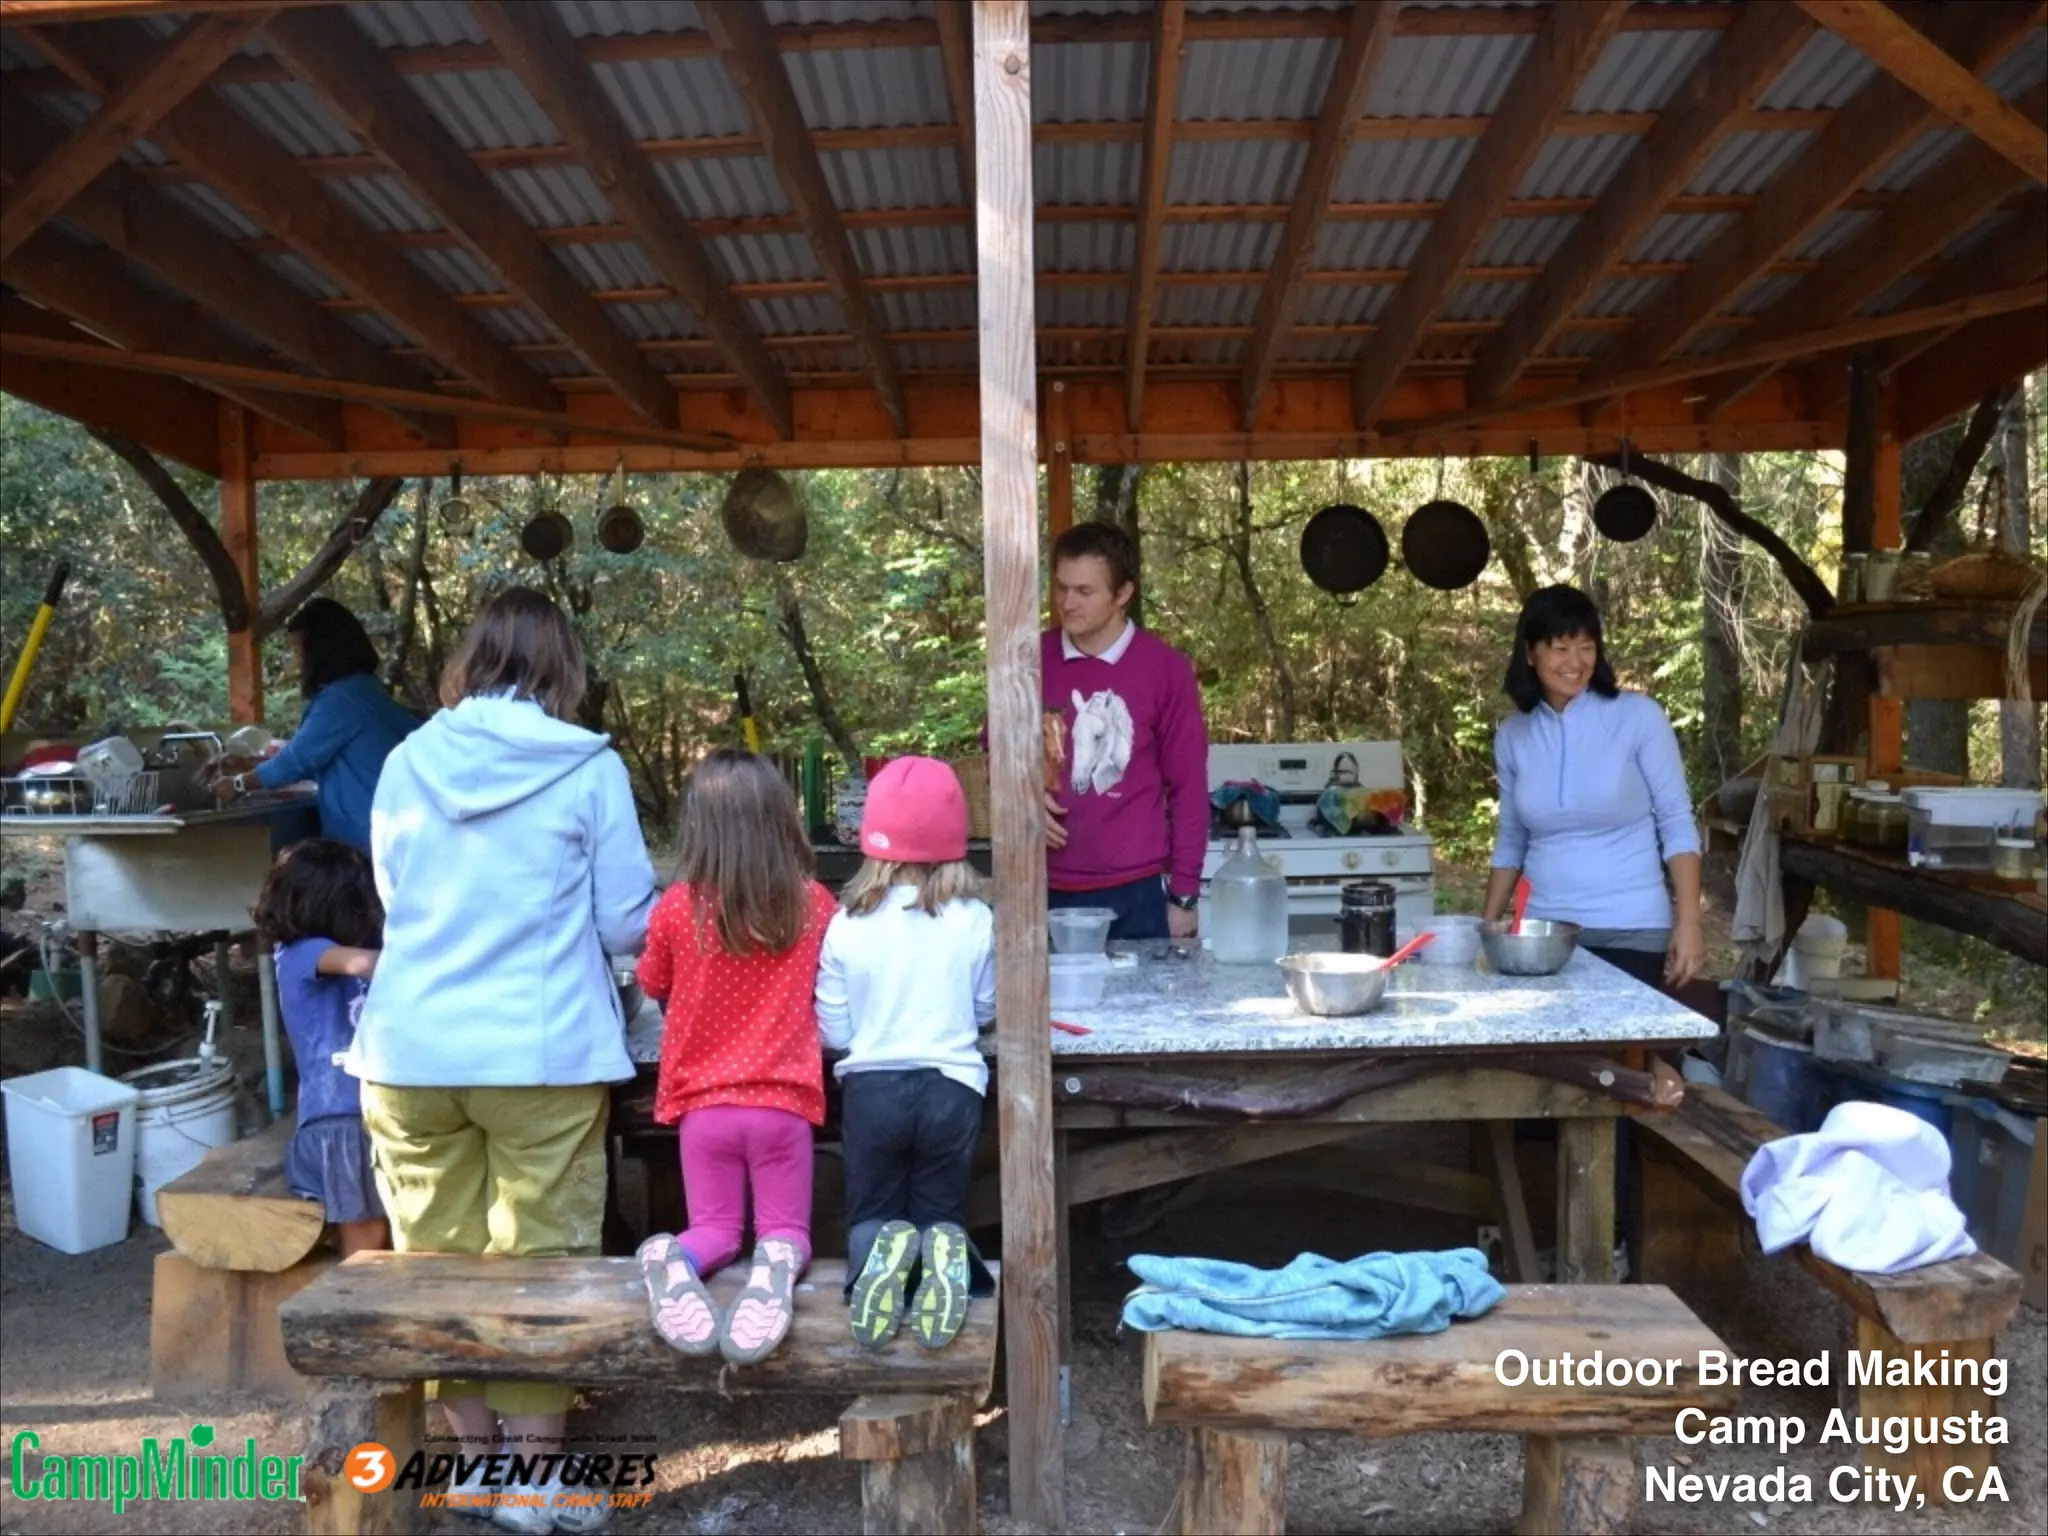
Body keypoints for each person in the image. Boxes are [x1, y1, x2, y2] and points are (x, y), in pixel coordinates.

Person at [347, 586, 654, 1536]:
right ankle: (533, 1482)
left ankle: (477, 1467)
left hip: (409, 1050)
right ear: (563, 666)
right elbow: (626, 923)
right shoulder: (588, 766)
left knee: (435, 1263)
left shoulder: (406, 760)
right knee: (542, 1263)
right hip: (541, 1051)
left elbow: (393, 897)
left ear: (470, 660)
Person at [634, 749, 837, 1367]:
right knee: (785, 1233)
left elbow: (651, 981)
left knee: (716, 1232)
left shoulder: (677, 907)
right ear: (782, 819)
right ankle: (773, 1274)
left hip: (704, 1110)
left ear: (699, 827)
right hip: (783, 1106)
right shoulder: (813, 903)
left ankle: (674, 1258)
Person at [816, 757, 996, 1351]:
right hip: (952, 1088)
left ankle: (873, 1279)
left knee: (872, 1211)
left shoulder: (847, 924)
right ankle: (942, 1262)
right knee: (940, 1209)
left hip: (873, 1090)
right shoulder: (976, 919)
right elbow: (985, 1007)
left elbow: (834, 1027)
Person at [1482, 585, 1705, 990]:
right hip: (1542, 931)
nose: (1576, 662)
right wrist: (1488, 929)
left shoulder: (1639, 717)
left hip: (1632, 927)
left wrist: (1689, 923)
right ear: (1530, 653)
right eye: (1561, 648)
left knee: (1626, 1033)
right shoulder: (1513, 734)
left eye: (1586, 647)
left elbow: (1676, 821)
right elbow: (1511, 839)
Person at [1041, 522, 1210, 941]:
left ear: (1122, 594)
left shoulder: (1166, 669)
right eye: (1061, 588)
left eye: (1084, 591)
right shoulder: (1031, 659)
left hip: (1136, 893)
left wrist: (1184, 896)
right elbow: (993, 752)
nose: (1067, 603)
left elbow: (1188, 788)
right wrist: (1021, 798)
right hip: (1039, 885)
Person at [252, 838, 387, 1258]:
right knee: (367, 1244)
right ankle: (358, 1298)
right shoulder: (299, 954)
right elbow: (370, 964)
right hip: (339, 1122)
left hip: (364, 1116)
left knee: (383, 1234)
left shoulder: (340, 952)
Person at [214, 597, 420, 852]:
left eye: (299, 653)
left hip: (368, 842)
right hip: (392, 838)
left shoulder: (340, 701)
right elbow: (319, 759)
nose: (297, 663)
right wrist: (248, 764)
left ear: (321, 653)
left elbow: (296, 762)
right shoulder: (365, 690)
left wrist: (238, 784)